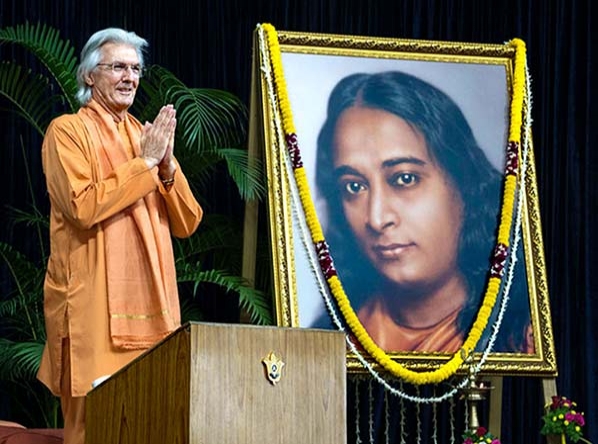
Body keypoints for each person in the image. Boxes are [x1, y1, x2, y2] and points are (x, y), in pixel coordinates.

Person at [36, 28, 203, 444]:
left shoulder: (144, 137)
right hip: (93, 314)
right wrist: (144, 163)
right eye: (118, 67)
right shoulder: (67, 132)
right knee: (93, 430)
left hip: (155, 316)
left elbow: (188, 222)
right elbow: (83, 206)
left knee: (154, 427)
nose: (129, 77)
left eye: (135, 69)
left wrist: (164, 168)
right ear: (90, 75)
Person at [313, 70, 533, 354]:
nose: (377, 218)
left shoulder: (520, 336)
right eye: (354, 187)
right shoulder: (333, 341)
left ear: (464, 182)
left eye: (405, 179)